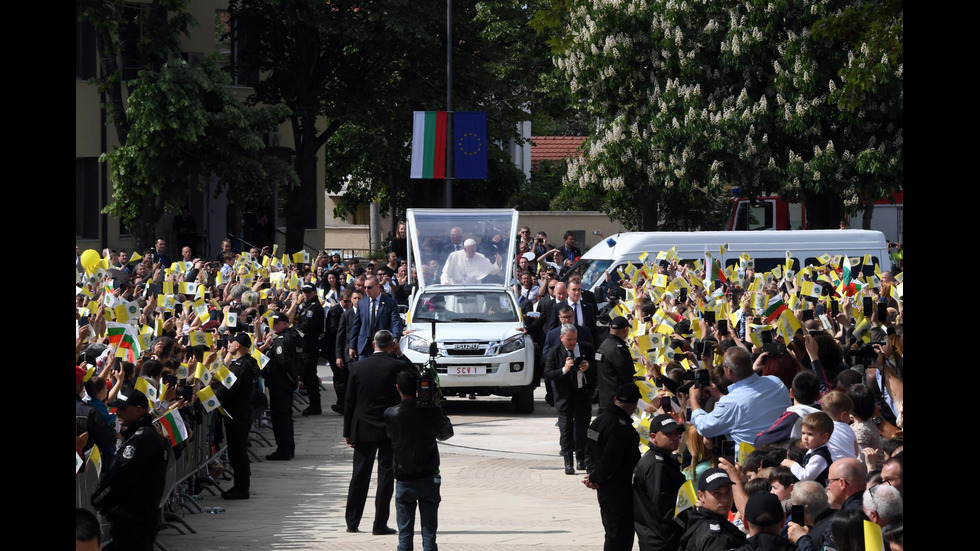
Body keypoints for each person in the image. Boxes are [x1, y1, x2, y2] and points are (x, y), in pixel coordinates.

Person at [344, 330, 413, 534]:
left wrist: (347, 431)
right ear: (391, 345)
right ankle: (379, 524)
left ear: (373, 344)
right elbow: (414, 377)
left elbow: (349, 402)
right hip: (389, 427)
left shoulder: (356, 367)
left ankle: (352, 522)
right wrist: (400, 354)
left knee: (359, 475)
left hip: (363, 426)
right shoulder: (397, 365)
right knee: (386, 475)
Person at [385, 369, 455, 551]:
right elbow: (446, 434)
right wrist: (435, 407)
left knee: (405, 534)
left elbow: (390, 435)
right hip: (429, 476)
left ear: (397, 388)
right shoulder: (430, 411)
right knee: (429, 533)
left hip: (404, 477)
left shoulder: (391, 414)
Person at [91, 389, 168, 551]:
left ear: (138, 410)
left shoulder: (141, 437)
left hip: (135, 517)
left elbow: (121, 475)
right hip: (136, 516)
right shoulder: (139, 434)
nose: (117, 412)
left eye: (122, 408)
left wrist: (99, 499)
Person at [690, 347, 791, 447]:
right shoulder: (775, 382)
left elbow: (704, 427)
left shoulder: (731, 403)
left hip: (753, 460)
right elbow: (747, 405)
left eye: (723, 366)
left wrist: (693, 400)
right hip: (784, 452)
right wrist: (720, 397)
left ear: (729, 372)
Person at [582, 383, 642, 551]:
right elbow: (610, 459)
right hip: (617, 489)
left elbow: (587, 449)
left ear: (615, 399)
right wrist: (595, 477)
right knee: (619, 535)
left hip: (605, 485)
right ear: (635, 404)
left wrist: (593, 475)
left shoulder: (599, 420)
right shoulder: (621, 428)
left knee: (612, 532)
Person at [211, 332, 260, 499]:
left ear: (237, 345)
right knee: (237, 451)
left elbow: (226, 390)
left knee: (237, 452)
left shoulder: (240, 367)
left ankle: (242, 488)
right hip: (241, 412)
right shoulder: (247, 363)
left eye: (231, 342)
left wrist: (210, 399)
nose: (229, 344)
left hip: (237, 414)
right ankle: (240, 485)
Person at [544, 323, 597, 474]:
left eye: (574, 339)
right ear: (561, 338)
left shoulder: (586, 348)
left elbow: (598, 366)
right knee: (566, 430)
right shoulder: (554, 352)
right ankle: (568, 462)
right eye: (569, 339)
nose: (572, 342)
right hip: (564, 397)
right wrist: (564, 369)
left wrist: (588, 367)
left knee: (582, 429)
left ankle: (581, 459)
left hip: (582, 394)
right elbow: (547, 374)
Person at [633, 413, 686, 551]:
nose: (675, 438)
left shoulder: (662, 459)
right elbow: (663, 508)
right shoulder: (657, 465)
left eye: (677, 433)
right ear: (653, 437)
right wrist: (685, 523)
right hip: (661, 539)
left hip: (658, 536)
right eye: (669, 434)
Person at [259, 312, 299, 460]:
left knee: (280, 417)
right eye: (271, 322)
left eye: (276, 322)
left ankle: (284, 449)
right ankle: (287, 448)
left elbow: (283, 360)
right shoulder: (283, 337)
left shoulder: (282, 338)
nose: (273, 325)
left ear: (284, 323)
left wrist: (290, 377)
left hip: (280, 384)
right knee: (284, 417)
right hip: (283, 383)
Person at [679, 468, 747, 551]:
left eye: (728, 491)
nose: (725, 499)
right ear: (701, 496)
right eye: (717, 493)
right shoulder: (715, 536)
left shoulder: (701, 521)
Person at [349, 275, 402, 362]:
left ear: (377, 287)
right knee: (364, 372)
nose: (366, 290)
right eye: (365, 287)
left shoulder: (390, 303)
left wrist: (395, 339)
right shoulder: (362, 303)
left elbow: (396, 322)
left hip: (382, 345)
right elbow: (356, 325)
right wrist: (352, 346)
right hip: (364, 345)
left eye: (369, 287)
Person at [780, 411, 834, 485]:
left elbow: (806, 476)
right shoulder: (813, 450)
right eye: (803, 433)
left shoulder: (819, 456)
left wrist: (792, 464)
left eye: (810, 434)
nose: (805, 437)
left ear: (824, 437)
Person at [296, 283, 326, 416]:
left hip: (309, 346)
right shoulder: (307, 305)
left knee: (309, 376)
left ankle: (315, 405)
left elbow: (305, 327)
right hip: (306, 346)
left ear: (315, 292)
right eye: (304, 292)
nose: (305, 294)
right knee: (307, 376)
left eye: (308, 292)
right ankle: (314, 404)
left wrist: (294, 333)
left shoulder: (313, 308)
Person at [595, 316, 634, 410]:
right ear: (625, 330)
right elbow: (627, 374)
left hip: (604, 397)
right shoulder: (618, 349)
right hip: (617, 399)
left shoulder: (604, 345)